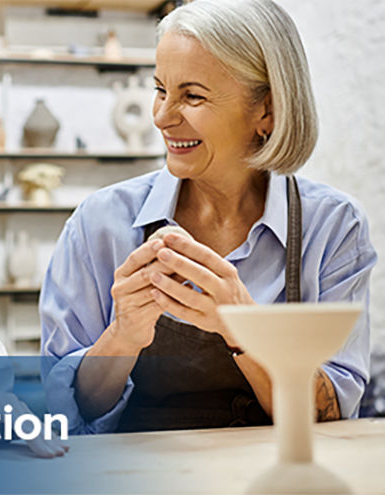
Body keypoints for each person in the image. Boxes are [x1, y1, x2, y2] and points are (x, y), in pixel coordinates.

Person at [40, 0, 376, 435]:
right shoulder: (99, 223)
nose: (161, 117)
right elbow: (69, 413)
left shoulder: (332, 227)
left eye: (192, 96)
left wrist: (244, 328)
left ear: (267, 111)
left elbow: (331, 413)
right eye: (160, 90)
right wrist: (122, 336)